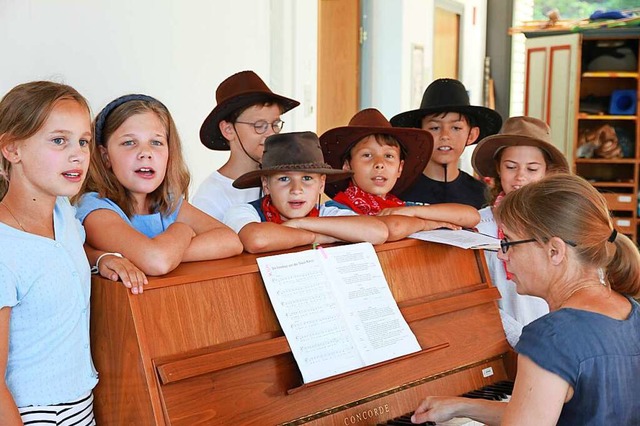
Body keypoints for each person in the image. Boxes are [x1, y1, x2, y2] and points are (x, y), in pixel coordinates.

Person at [411, 174, 640, 426]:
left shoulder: (551, 337)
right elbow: (544, 413)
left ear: (555, 251)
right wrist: (463, 406)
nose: (501, 255)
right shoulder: (632, 311)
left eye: (508, 242)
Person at [0, 81, 145, 425]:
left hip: (82, 405)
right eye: (58, 141)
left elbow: (64, 256)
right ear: (12, 149)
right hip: (31, 415)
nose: (78, 154)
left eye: (82, 141)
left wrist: (100, 258)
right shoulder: (5, 249)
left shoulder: (64, 212)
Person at [75, 94, 243, 276]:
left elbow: (231, 241)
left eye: (156, 142)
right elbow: (157, 261)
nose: (145, 153)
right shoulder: (94, 207)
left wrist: (170, 252)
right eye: (129, 142)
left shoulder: (169, 202)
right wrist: (182, 230)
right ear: (105, 156)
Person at [472, 116, 569, 347]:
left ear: (547, 171)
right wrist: (522, 339)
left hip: (558, 342)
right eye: (511, 167)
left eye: (532, 168)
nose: (520, 177)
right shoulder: (480, 227)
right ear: (498, 168)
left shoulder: (562, 223)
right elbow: (479, 298)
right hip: (500, 344)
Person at [320, 108, 480, 241]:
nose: (379, 164)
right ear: (348, 166)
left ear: (400, 168)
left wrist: (413, 212)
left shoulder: (399, 207)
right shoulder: (337, 210)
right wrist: (427, 224)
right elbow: (392, 228)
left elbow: (471, 216)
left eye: (389, 156)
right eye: (367, 155)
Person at [223, 131, 388, 253]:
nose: (296, 190)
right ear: (266, 184)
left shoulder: (326, 213)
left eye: (307, 179)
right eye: (284, 179)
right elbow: (257, 240)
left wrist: (300, 223)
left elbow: (377, 232)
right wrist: (318, 237)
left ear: (321, 184)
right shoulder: (244, 212)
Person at [192, 70, 300, 221]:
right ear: (228, 130)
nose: (271, 134)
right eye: (259, 125)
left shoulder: (287, 180)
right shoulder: (210, 198)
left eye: (275, 124)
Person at [390, 78, 502, 209]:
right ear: (419, 134)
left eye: (456, 128)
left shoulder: (483, 196)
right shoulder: (396, 189)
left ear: (471, 135)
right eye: (434, 128)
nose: (445, 136)